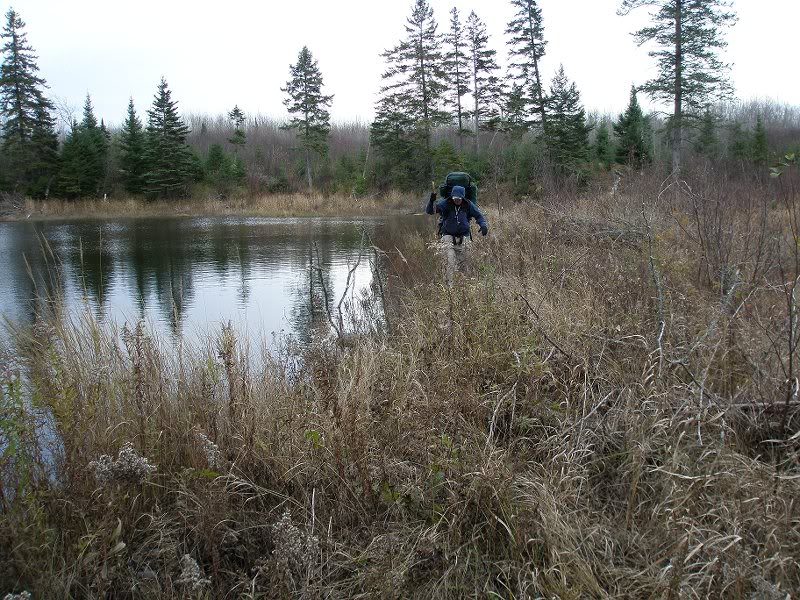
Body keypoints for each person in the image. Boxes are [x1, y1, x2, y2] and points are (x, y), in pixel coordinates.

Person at [425, 184, 488, 279]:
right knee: (450, 263)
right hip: (448, 238)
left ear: (462, 197)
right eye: (455, 198)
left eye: (458, 198)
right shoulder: (445, 203)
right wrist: (431, 200)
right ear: (451, 196)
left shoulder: (468, 204)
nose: (456, 200)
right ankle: (450, 288)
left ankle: (464, 287)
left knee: (465, 266)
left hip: (464, 239)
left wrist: (483, 225)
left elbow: (479, 216)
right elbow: (430, 211)